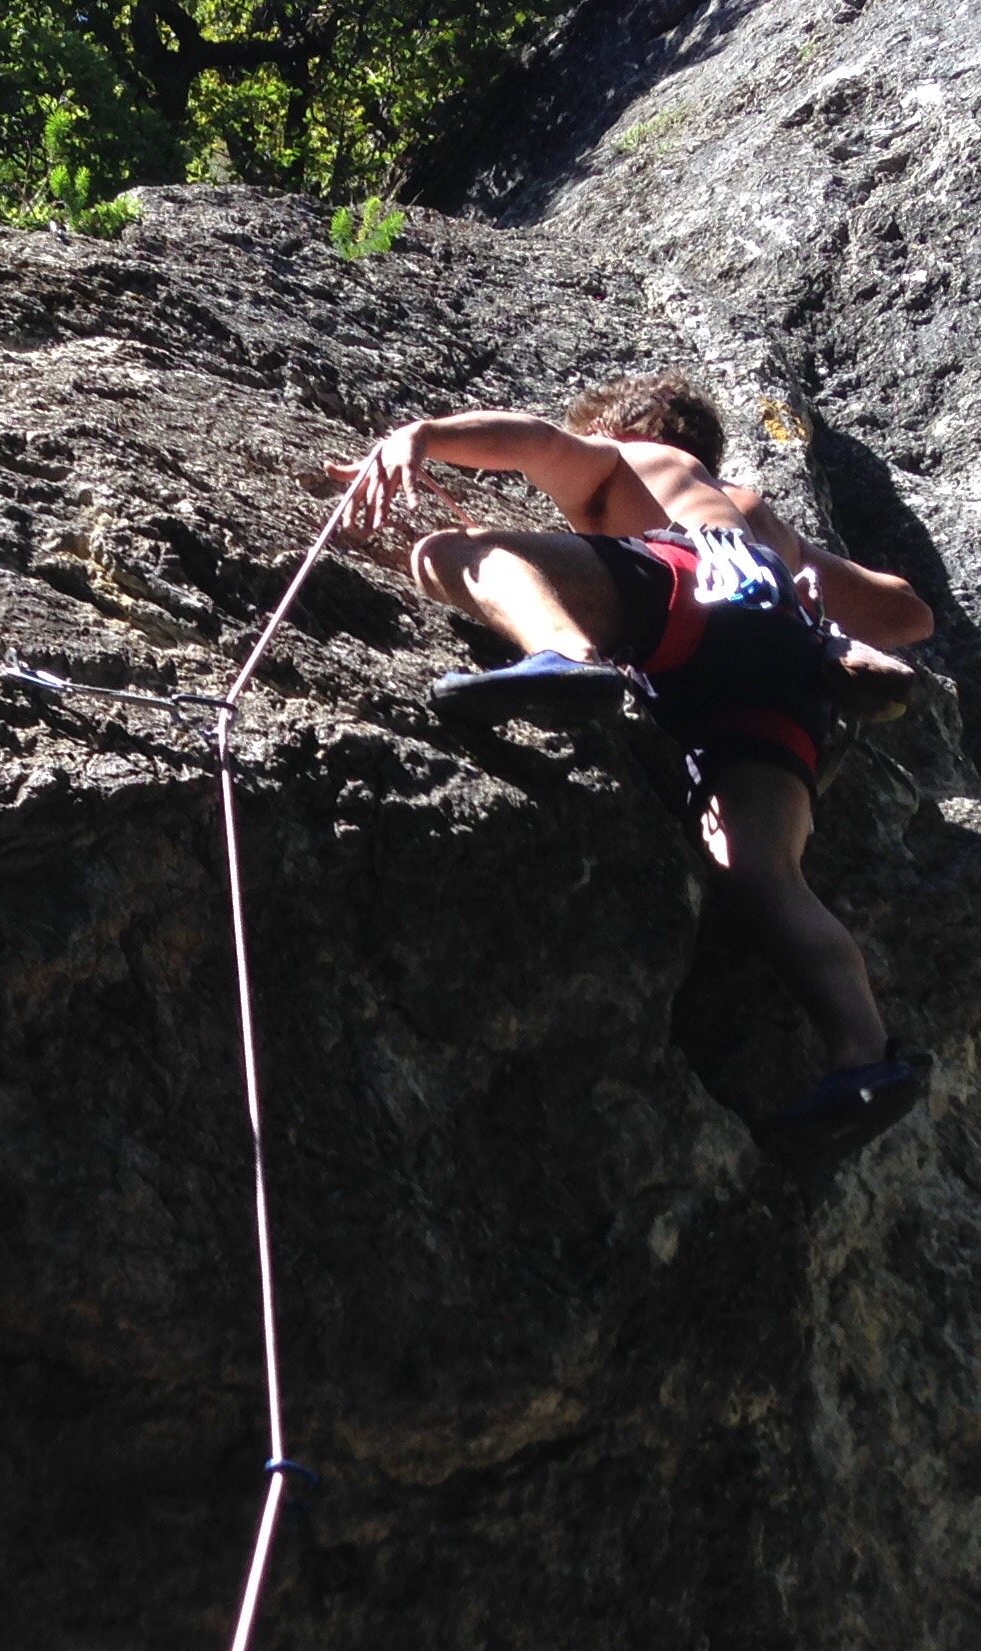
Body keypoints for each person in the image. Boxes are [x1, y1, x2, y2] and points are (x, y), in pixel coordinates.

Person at [336, 373, 938, 1157]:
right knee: (761, 872)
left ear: (619, 427)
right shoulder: (758, 516)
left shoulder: (634, 458)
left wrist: (422, 437)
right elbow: (907, 613)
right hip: (787, 671)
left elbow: (536, 444)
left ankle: (563, 654)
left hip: (686, 599)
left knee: (451, 550)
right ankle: (865, 1056)